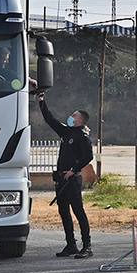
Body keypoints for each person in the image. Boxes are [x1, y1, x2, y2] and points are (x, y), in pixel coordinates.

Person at [38, 92, 95, 259]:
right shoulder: (66, 132)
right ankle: (71, 244)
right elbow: (50, 119)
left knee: (78, 211)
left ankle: (87, 246)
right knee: (64, 212)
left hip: (73, 179)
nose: (71, 117)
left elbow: (88, 156)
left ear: (80, 120)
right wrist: (41, 100)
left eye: (74, 115)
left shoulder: (82, 136)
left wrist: (74, 169)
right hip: (62, 179)